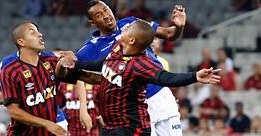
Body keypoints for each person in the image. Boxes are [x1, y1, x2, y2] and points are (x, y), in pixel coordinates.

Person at [58, 19, 220, 135]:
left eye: (128, 29)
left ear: (132, 39)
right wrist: (75, 63)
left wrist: (195, 76)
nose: (123, 29)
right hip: (115, 125)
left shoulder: (141, 64)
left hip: (137, 123)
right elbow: (100, 64)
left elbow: (166, 78)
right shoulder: (116, 52)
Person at [0, 22, 100, 136]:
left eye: (38, 31)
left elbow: (84, 76)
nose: (40, 34)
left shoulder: (51, 61)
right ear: (21, 42)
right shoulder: (10, 71)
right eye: (33, 32)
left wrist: (112, 75)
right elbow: (14, 112)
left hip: (49, 132)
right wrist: (48, 124)